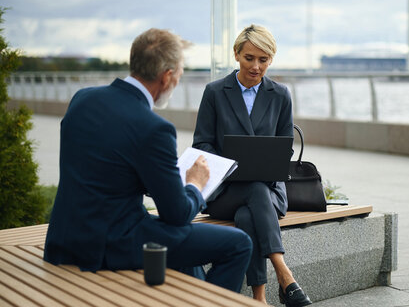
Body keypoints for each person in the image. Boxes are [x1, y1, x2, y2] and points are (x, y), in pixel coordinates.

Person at [43, 28, 252, 293]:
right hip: (109, 244)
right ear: (166, 77)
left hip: (64, 237)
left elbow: (103, 167)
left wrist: (156, 173)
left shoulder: (82, 99)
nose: (177, 81)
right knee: (238, 244)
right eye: (179, 74)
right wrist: (195, 184)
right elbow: (177, 215)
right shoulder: (154, 128)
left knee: (185, 252)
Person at [193, 24, 312, 306]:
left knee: (251, 207)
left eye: (263, 60)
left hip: (269, 190)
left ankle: (259, 298)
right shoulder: (215, 92)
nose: (256, 67)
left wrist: (262, 163)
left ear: (271, 59)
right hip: (225, 192)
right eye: (249, 58)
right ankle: (285, 274)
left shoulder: (280, 94)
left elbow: (284, 147)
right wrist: (232, 164)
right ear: (236, 55)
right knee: (253, 189)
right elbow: (201, 144)